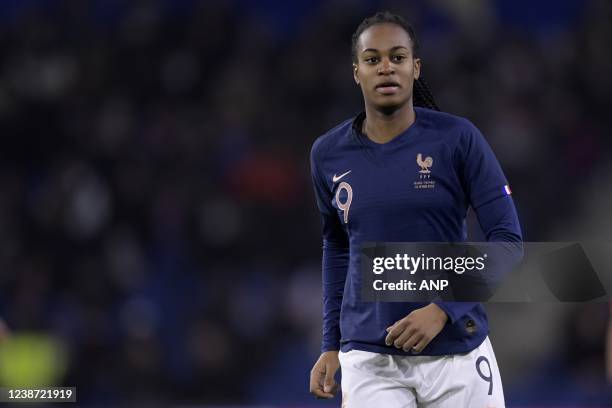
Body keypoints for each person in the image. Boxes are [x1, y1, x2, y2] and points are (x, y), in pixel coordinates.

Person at [308, 11, 523, 407]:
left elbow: (508, 242)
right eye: (372, 59)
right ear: (357, 71)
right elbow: (338, 249)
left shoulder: (458, 139)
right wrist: (331, 343)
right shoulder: (328, 154)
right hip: (371, 358)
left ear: (415, 67)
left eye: (397, 57)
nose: (386, 67)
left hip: (457, 350)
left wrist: (444, 310)